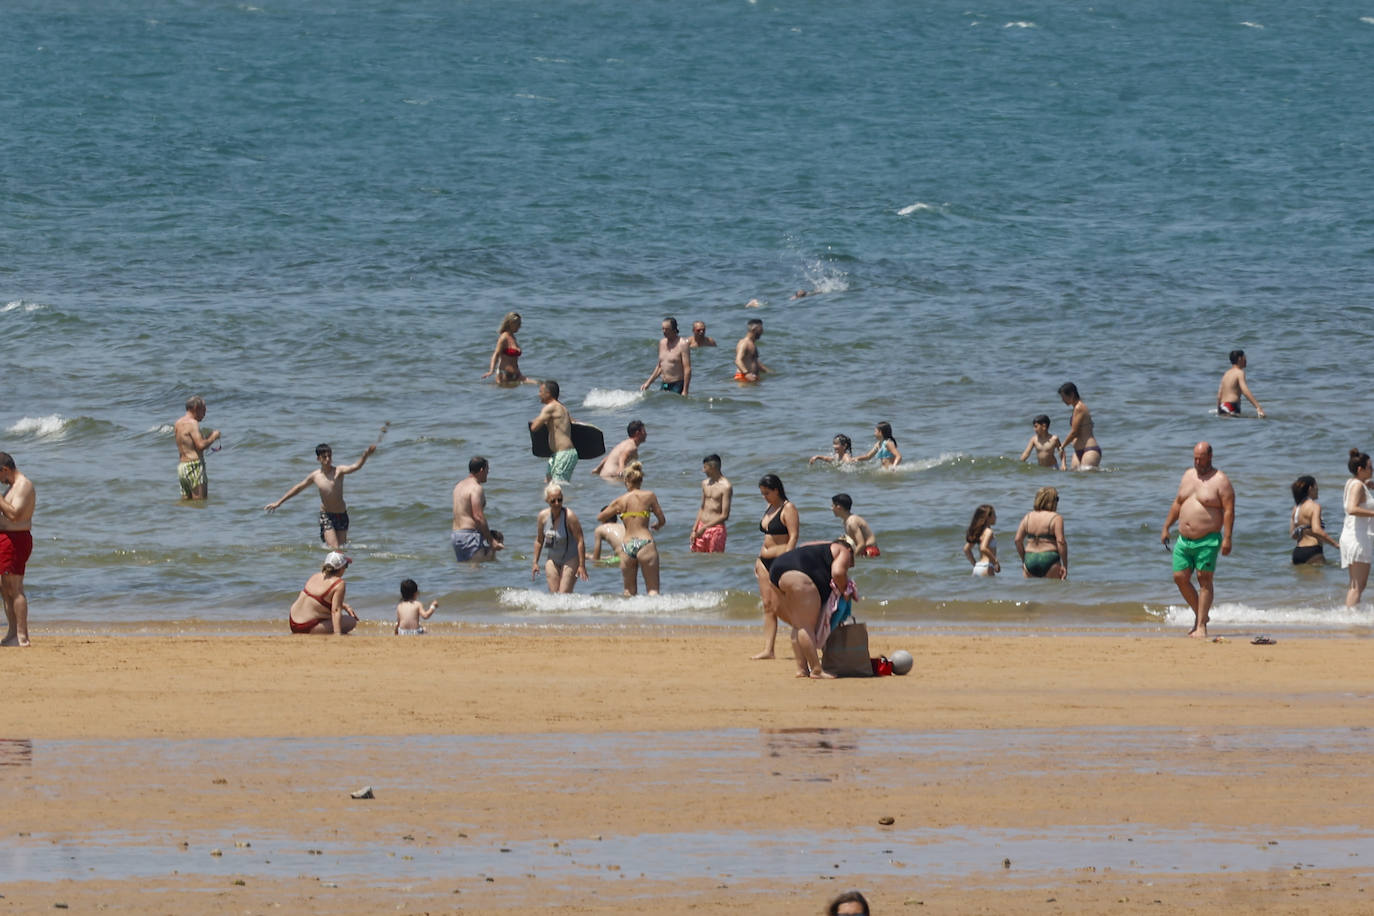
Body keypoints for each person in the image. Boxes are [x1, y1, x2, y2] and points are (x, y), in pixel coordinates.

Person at [1161, 442, 1234, 638]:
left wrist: (1227, 538)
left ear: (1210, 457)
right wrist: (1166, 526)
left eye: (1200, 458)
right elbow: (1178, 503)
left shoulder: (1221, 481)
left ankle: (1201, 625)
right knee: (1180, 577)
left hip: (1208, 539)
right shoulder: (1188, 475)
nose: (1196, 461)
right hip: (1184, 540)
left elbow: (1228, 510)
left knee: (1204, 578)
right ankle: (1201, 615)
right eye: (1194, 457)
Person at [763, 537, 858, 678]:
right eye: (850, 563)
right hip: (798, 575)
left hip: (776, 571)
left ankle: (802, 669)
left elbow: (803, 546)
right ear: (850, 550)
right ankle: (816, 670)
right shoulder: (843, 550)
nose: (849, 566)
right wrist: (845, 591)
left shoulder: (819, 545)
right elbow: (838, 573)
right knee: (805, 626)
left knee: (798, 624)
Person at [264, 442, 376, 548]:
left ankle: (331, 567)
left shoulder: (339, 471)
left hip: (341, 515)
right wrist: (278, 502)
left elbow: (356, 466)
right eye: (324, 457)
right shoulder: (315, 476)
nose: (328, 459)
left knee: (341, 550)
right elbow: (298, 488)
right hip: (326, 516)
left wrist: (365, 455)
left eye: (329, 456)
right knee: (334, 549)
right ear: (318, 459)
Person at [596, 462, 665, 595]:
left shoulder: (620, 500)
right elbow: (662, 520)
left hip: (627, 545)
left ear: (626, 480)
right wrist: (657, 525)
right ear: (641, 479)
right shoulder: (649, 496)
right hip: (645, 542)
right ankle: (654, 613)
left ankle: (630, 616)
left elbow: (600, 517)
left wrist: (616, 508)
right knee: (653, 590)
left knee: (628, 591)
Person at [752, 474, 799, 660]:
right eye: (762, 493)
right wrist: (758, 559)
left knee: (781, 606)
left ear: (776, 490)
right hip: (763, 561)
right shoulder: (769, 507)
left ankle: (808, 632)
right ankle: (768, 650)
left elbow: (793, 537)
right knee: (767, 605)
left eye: (767, 493)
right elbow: (767, 538)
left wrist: (787, 560)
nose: (764, 496)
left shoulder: (789, 508)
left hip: (781, 560)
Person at [0, 452, 36, 647]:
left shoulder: (24, 485)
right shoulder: (12, 487)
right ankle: (12, 633)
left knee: (15, 587)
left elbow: (14, 515)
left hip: (16, 540)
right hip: (6, 540)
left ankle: (22, 636)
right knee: (5, 589)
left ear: (5, 470)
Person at [531, 482, 588, 593]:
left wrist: (582, 565)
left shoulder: (569, 516)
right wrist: (535, 562)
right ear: (547, 501)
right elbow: (539, 540)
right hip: (552, 559)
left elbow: (580, 540)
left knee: (564, 594)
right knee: (554, 596)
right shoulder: (543, 517)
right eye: (553, 501)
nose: (557, 503)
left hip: (571, 558)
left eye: (560, 499)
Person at [288, 551, 358, 635]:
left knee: (325, 614)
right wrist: (337, 634)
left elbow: (318, 600)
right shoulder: (339, 584)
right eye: (346, 566)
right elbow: (335, 611)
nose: (345, 569)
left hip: (293, 622)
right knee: (351, 622)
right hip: (306, 627)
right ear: (341, 568)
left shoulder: (315, 576)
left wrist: (345, 606)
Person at [452, 456, 503, 563]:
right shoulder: (476, 488)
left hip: (456, 535)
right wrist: (491, 541)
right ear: (481, 470)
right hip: (469, 535)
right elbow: (478, 516)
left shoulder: (459, 486)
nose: (488, 474)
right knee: (475, 572)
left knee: (466, 570)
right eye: (487, 470)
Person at [1340, 449, 1374, 606]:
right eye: (1370, 467)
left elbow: (1358, 494)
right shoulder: (1358, 487)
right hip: (1358, 538)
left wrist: (1367, 484)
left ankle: (1351, 616)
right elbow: (1352, 509)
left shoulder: (1353, 483)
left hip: (1352, 535)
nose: (1372, 470)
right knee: (1358, 586)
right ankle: (1350, 619)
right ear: (1360, 469)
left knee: (1356, 585)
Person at [1015, 486, 1068, 580]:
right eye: (1057, 499)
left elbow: (1017, 540)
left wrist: (1024, 559)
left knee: (1032, 593)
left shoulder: (1028, 517)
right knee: (1053, 593)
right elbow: (1061, 542)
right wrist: (1065, 565)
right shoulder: (1056, 518)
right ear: (1052, 501)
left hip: (1030, 558)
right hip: (1049, 558)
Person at [174, 395, 221, 500]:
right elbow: (200, 446)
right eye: (203, 410)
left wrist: (207, 438)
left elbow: (188, 444)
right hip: (194, 465)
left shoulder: (178, 423)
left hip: (182, 467)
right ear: (195, 408)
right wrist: (214, 436)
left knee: (186, 502)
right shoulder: (193, 423)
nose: (204, 414)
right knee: (199, 502)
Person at [531, 379, 577, 483]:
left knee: (558, 487)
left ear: (548, 393)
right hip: (558, 454)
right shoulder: (562, 408)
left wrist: (538, 420)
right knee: (548, 484)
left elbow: (534, 427)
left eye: (540, 392)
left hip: (564, 453)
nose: (539, 394)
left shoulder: (550, 407)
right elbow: (574, 423)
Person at [1290, 476, 1338, 566]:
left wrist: (1305, 530)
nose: (1318, 489)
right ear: (1310, 488)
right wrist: (1336, 544)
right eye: (1316, 486)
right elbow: (1316, 529)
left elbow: (1293, 535)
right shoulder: (1314, 506)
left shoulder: (1296, 508)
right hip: (1312, 551)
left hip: (1297, 552)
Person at [690, 454, 733, 553]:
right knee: (697, 558)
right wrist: (694, 529)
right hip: (701, 527)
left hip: (716, 529)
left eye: (705, 467)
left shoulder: (726, 487)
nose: (703, 470)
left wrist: (706, 527)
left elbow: (725, 515)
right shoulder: (705, 483)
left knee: (714, 561)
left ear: (712, 467)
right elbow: (702, 507)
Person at [640, 316, 692, 396]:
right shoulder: (662, 343)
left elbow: (687, 369)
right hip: (664, 384)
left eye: (666, 329)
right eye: (663, 329)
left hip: (677, 385)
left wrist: (685, 390)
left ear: (674, 329)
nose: (664, 331)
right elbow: (660, 366)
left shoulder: (683, 344)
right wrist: (648, 383)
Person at [481, 311, 534, 385]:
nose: (520, 326)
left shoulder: (513, 337)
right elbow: (496, 354)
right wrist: (491, 371)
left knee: (538, 383)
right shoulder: (503, 337)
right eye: (518, 324)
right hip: (504, 375)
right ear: (511, 323)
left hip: (517, 375)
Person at [1058, 383, 1101, 470]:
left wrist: (1062, 446)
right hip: (1078, 451)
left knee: (1087, 479)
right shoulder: (1076, 409)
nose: (1062, 400)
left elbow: (1074, 432)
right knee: (1075, 478)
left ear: (1072, 394)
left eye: (1063, 397)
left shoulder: (1079, 408)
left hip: (1089, 449)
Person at [1217, 349, 1265, 418]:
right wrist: (1258, 407)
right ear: (1240, 359)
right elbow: (1245, 391)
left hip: (1222, 406)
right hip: (1231, 406)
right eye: (1245, 358)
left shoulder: (1226, 374)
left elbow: (1219, 395)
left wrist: (1219, 409)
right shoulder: (1239, 372)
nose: (1246, 361)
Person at [964, 504, 1000, 576]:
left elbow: (966, 549)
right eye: (994, 515)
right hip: (987, 566)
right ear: (988, 518)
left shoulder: (979, 532)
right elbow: (983, 548)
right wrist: (995, 561)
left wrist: (975, 564)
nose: (996, 517)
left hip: (978, 567)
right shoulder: (989, 531)